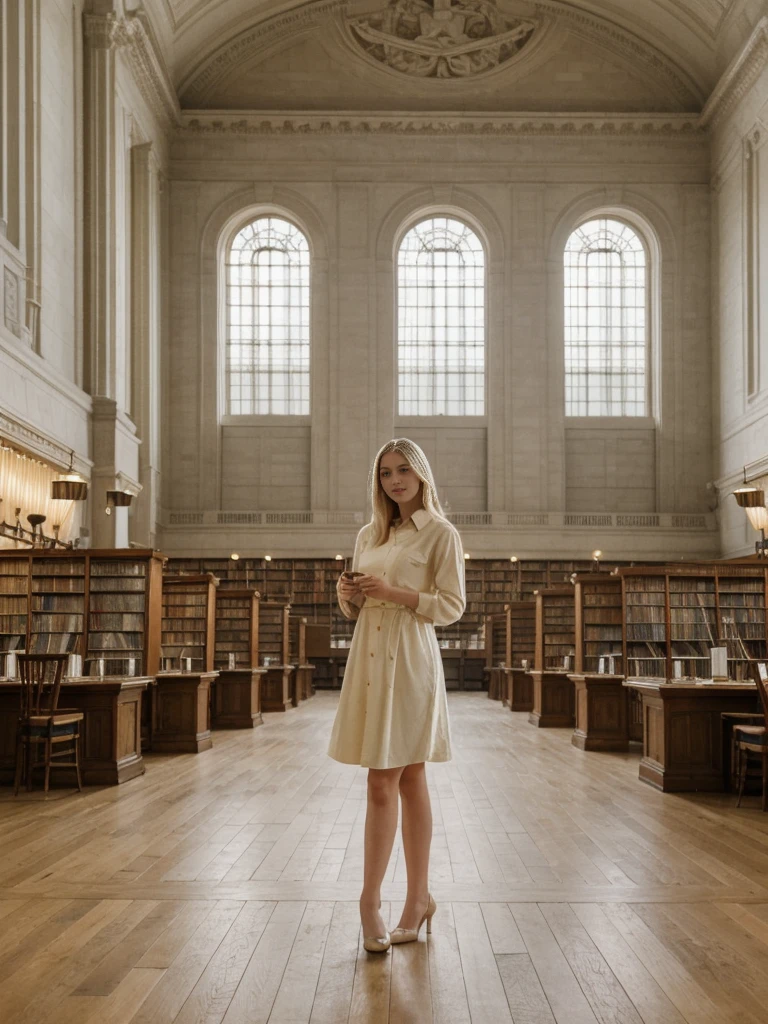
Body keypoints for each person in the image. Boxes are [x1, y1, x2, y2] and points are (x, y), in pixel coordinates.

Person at [327, 438, 466, 952]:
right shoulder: (369, 533)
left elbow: (451, 605)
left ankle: (404, 900)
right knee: (390, 779)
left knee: (403, 776)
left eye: (403, 470)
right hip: (368, 655)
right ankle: (381, 901)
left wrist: (395, 595)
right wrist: (349, 596)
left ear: (421, 475)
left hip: (410, 657)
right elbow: (359, 608)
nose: (394, 480)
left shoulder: (441, 534)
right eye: (385, 473)